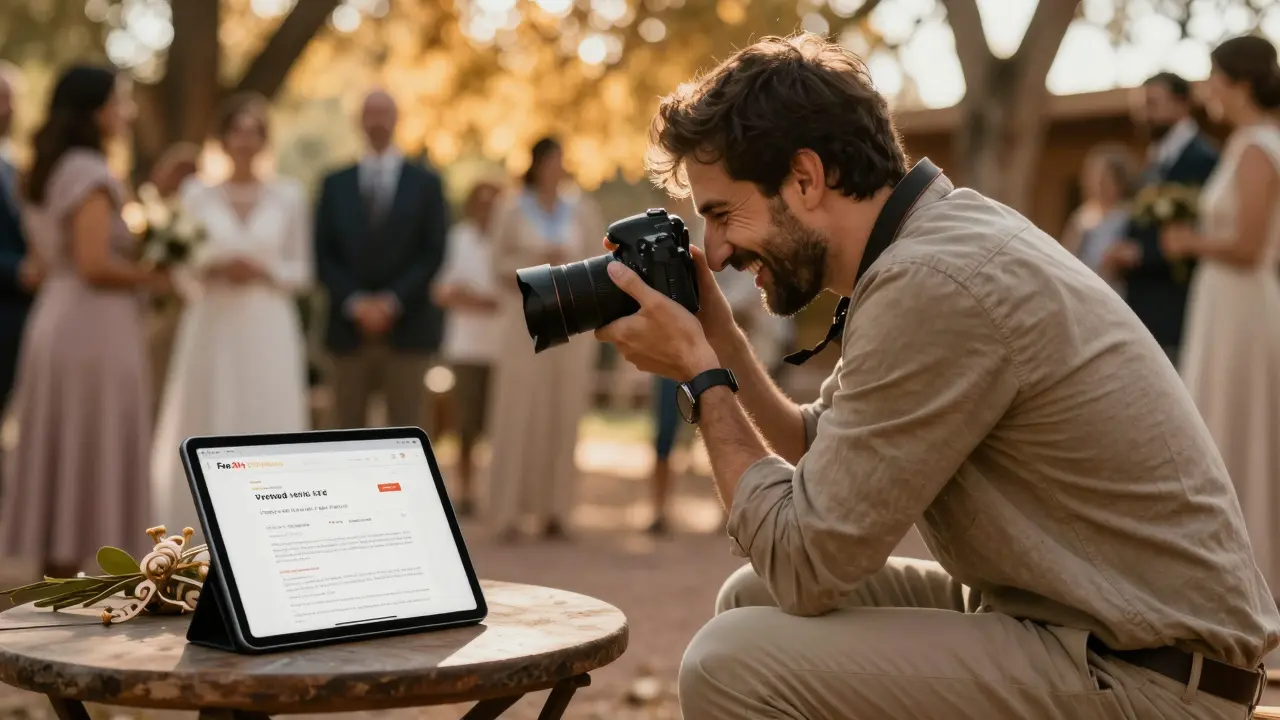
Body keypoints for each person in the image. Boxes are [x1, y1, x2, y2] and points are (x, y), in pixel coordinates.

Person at [594, 34, 1279, 719]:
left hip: (1147, 679)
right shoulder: (933, 241)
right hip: (1080, 620)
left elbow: (806, 564)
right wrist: (720, 341)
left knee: (730, 662)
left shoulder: (933, 281)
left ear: (804, 179)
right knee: (751, 600)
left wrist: (701, 379)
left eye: (720, 215)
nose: (711, 254)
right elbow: (816, 449)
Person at [0, 66, 170, 577]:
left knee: (66, 452)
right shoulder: (89, 173)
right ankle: (70, 588)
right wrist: (154, 277)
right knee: (85, 446)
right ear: (98, 109)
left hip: (57, 319)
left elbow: (47, 259)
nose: (128, 112)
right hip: (91, 331)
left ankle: (56, 586)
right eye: (121, 102)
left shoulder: (48, 168)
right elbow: (94, 264)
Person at [150, 92, 312, 542]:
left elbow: (302, 271)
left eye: (253, 131)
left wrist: (264, 270)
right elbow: (178, 267)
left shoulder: (289, 195)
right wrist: (211, 268)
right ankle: (200, 525)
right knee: (211, 407)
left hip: (267, 321)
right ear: (222, 138)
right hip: (213, 320)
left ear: (264, 140)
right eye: (236, 130)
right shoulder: (196, 194)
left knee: (265, 408)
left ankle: (272, 522)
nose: (244, 140)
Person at [1160, 34, 1280, 604]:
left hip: (1242, 308)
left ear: (1238, 83)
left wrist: (1189, 240)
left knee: (1240, 436)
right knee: (1222, 429)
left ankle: (1252, 588)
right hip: (1224, 308)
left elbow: (1252, 245)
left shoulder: (1258, 146)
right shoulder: (1245, 145)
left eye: (1213, 79)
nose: (1208, 91)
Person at [486, 137, 603, 541]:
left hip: (571, 327)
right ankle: (508, 513)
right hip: (524, 324)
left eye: (560, 161)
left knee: (563, 413)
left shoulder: (582, 210)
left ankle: (557, 511)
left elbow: (600, 266)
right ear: (536, 165)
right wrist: (537, 263)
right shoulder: (512, 207)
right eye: (550, 161)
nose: (556, 168)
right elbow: (496, 265)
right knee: (517, 414)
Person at [314, 89, 449, 431]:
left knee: (408, 434)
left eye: (384, 113)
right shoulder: (333, 184)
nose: (377, 121)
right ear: (359, 121)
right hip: (347, 332)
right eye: (370, 113)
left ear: (396, 119)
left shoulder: (427, 184)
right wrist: (356, 303)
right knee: (343, 433)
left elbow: (433, 252)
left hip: (409, 329)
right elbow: (322, 253)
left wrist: (391, 302)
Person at [1104, 72, 1219, 363]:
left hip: (1177, 307)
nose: (1145, 114)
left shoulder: (1203, 159)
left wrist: (1142, 252)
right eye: (1143, 105)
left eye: (1153, 103)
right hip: (1144, 305)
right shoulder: (1156, 158)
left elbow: (1204, 233)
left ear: (1182, 104)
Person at [432, 179, 502, 517]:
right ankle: (466, 490)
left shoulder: (507, 240)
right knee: (466, 427)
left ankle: (497, 493)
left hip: (503, 348)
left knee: (499, 425)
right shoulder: (457, 240)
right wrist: (476, 300)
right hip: (466, 347)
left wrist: (475, 298)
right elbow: (443, 290)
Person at [143, 141, 202, 420]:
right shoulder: (148, 215)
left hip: (192, 311)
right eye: (178, 172)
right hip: (158, 313)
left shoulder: (198, 217)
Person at [0, 64, 40, 436]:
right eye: (1, 99)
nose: (8, 109)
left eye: (11, 100)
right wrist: (16, 271)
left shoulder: (16, 168)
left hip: (22, 319)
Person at [1061, 142, 1138, 294]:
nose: (1100, 185)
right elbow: (1067, 253)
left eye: (1105, 179)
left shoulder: (1128, 214)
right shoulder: (1083, 216)